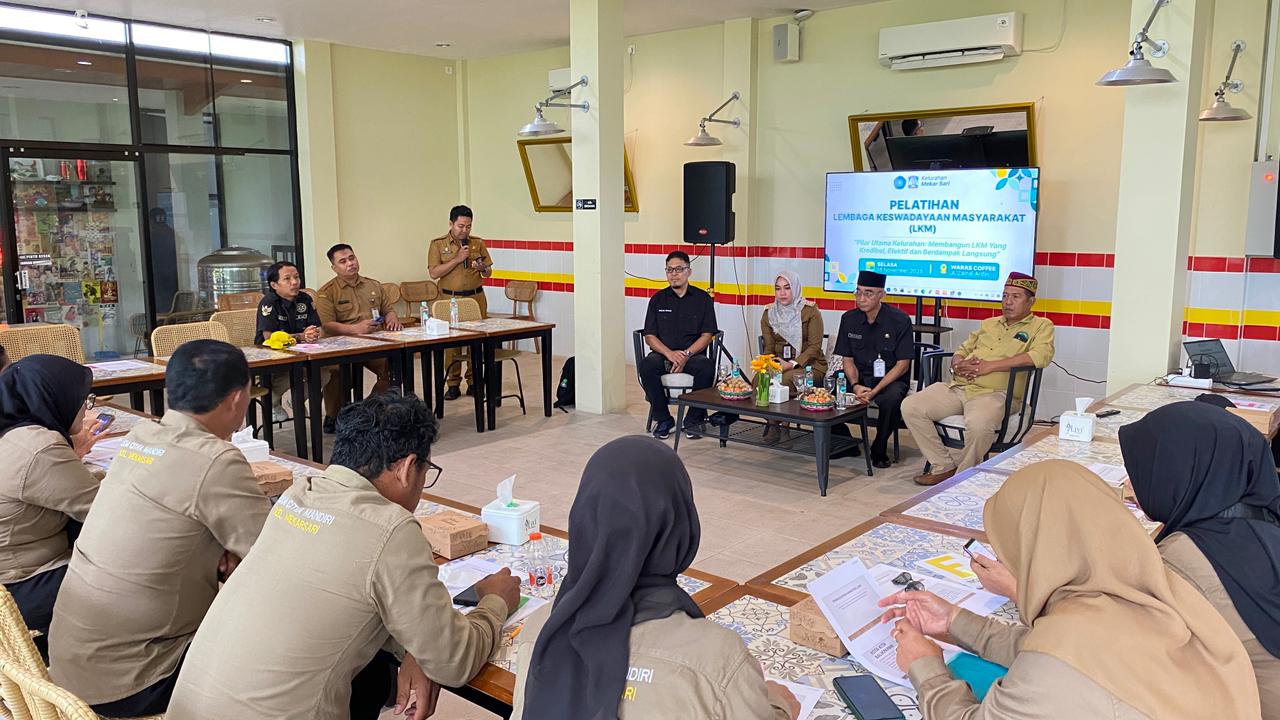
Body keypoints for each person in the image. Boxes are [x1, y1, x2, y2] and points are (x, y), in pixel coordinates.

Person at [167, 393, 519, 720]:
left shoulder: (297, 495)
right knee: (374, 675)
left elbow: (346, 598)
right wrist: (494, 602)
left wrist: (417, 648)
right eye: (426, 473)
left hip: (188, 709)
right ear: (407, 467)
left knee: (371, 672)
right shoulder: (391, 528)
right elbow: (454, 661)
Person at [878, 460, 1260, 719]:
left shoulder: (1062, 655)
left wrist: (925, 667)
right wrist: (955, 621)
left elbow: (1054, 663)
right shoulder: (1161, 589)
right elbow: (1060, 651)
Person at [49, 340, 272, 717]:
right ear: (237, 399)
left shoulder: (141, 437)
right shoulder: (216, 460)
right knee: (303, 648)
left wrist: (221, 547)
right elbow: (273, 557)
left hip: (75, 661)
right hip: (139, 675)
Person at [510, 436, 799, 720]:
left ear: (584, 521)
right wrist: (779, 705)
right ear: (680, 527)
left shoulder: (541, 629)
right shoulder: (718, 658)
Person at [1119, 401, 1280, 718]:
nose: (1129, 482)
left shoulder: (1182, 558)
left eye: (1143, 469)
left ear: (1175, 474)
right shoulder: (1264, 519)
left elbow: (1120, 647)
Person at [901, 272, 1054, 485]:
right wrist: (958, 363)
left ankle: (963, 476)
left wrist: (990, 366)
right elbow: (962, 349)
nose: (1008, 302)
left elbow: (1041, 356)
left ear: (1031, 302)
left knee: (979, 425)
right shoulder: (989, 323)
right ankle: (943, 466)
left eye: (1015, 297)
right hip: (960, 386)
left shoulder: (1041, 325)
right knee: (911, 406)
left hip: (996, 394)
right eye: (1005, 296)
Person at [0, 356, 107, 651]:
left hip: (13, 574)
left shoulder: (13, 431)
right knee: (135, 569)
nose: (86, 409)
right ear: (55, 398)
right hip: (22, 587)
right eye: (84, 400)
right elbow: (102, 510)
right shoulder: (38, 447)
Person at [315, 244, 402, 433]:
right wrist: (355, 329)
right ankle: (333, 415)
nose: (350, 263)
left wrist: (392, 318)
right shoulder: (326, 292)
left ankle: (367, 410)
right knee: (335, 372)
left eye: (352, 258)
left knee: (395, 366)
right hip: (341, 346)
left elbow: (387, 309)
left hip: (372, 344)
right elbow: (327, 324)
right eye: (343, 261)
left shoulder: (373, 285)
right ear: (334, 267)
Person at [833, 270, 914, 468]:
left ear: (881, 295)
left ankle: (879, 447)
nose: (861, 298)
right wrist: (855, 385)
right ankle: (844, 441)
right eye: (858, 292)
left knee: (891, 400)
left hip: (890, 379)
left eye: (868, 293)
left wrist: (875, 391)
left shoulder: (900, 320)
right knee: (826, 386)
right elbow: (847, 359)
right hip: (859, 377)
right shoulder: (849, 319)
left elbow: (903, 365)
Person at [640, 252, 719, 441]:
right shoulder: (657, 299)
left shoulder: (702, 299)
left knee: (706, 367)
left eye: (678, 269)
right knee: (647, 366)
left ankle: (692, 419)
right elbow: (650, 336)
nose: (674, 274)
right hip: (663, 354)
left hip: (692, 355)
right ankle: (664, 419)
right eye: (669, 270)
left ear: (688, 271)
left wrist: (686, 354)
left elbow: (707, 335)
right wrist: (669, 354)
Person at [427, 205, 493, 400]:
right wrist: (457, 259)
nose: (465, 230)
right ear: (451, 224)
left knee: (476, 341)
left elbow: (488, 272)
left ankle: (474, 382)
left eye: (468, 226)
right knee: (451, 343)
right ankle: (453, 383)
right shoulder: (438, 244)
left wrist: (482, 267)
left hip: (475, 298)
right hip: (450, 299)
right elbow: (434, 273)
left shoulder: (477, 243)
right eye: (461, 226)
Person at [760, 271, 824, 443]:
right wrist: (766, 364)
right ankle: (773, 424)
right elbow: (769, 348)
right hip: (780, 364)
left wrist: (792, 364)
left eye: (787, 288)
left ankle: (785, 428)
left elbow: (815, 347)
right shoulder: (769, 313)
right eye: (778, 288)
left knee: (785, 380)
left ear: (795, 288)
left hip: (810, 365)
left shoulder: (810, 311)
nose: (782, 293)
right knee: (760, 380)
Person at [257, 260, 321, 423]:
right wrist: (301, 336)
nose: (294, 282)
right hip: (272, 355)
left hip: (303, 351)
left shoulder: (305, 299)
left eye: (297, 277)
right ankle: (273, 404)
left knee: (325, 372)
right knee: (288, 375)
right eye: (287, 279)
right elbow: (269, 337)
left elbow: (318, 327)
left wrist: (313, 333)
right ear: (274, 285)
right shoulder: (269, 303)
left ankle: (297, 399)